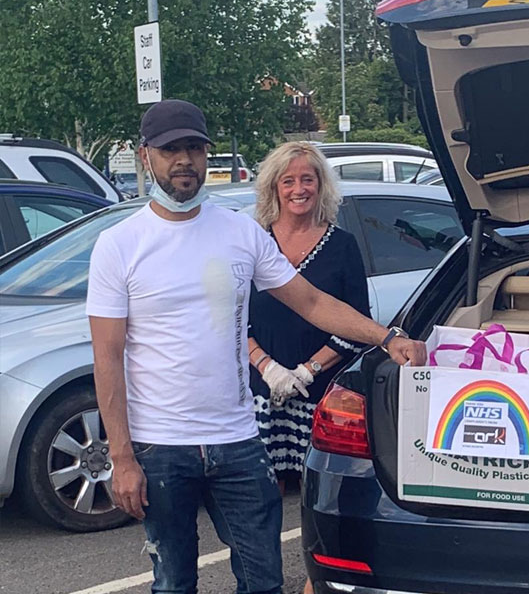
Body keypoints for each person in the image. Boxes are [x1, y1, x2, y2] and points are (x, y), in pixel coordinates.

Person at [86, 99, 425, 594]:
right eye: (170, 150)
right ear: (145, 156)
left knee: (264, 580)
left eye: (194, 148)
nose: (184, 160)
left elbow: (311, 301)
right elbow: (107, 358)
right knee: (173, 583)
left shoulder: (239, 232)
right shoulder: (120, 245)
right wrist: (122, 457)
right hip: (160, 445)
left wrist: (387, 337)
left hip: (238, 440)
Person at [247, 142, 370, 493]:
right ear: (274, 187)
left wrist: (306, 371)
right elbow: (232, 319)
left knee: (318, 495)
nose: (298, 189)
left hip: (319, 395)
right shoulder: (254, 242)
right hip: (261, 393)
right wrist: (268, 368)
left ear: (321, 185)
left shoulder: (343, 246)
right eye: (288, 181)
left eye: (307, 179)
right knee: (260, 497)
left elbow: (358, 323)